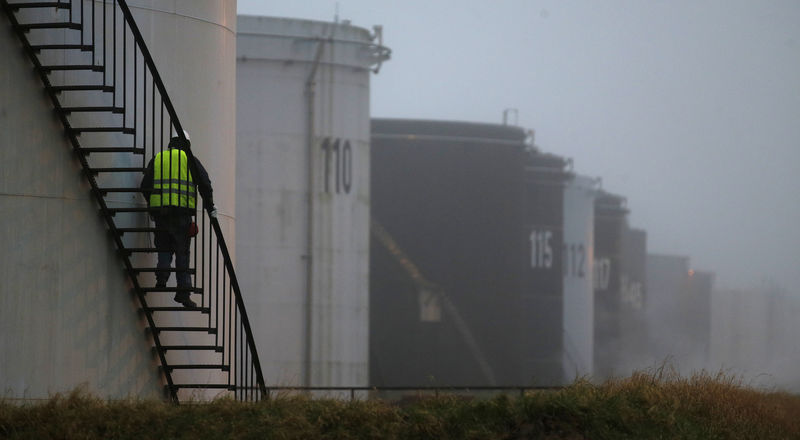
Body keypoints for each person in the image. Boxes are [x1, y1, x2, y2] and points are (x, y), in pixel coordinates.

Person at [140, 130, 216, 308]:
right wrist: (210, 206)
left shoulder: (158, 158)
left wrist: (153, 205)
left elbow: (145, 186)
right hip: (182, 215)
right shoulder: (190, 160)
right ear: (187, 144)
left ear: (171, 142)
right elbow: (205, 184)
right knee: (182, 252)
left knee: (164, 247)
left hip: (161, 214)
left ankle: (161, 279)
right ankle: (183, 293)